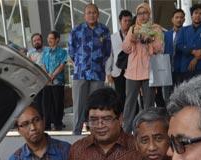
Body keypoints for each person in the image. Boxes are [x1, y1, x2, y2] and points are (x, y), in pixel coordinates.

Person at [68, 4, 111, 136]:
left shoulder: (104, 30)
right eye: (89, 13)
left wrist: (98, 61)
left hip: (98, 73)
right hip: (80, 73)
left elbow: (107, 51)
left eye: (94, 12)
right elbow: (71, 51)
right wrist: (81, 62)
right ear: (84, 15)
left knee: (96, 105)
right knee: (79, 105)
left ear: (98, 14)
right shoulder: (77, 30)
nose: (92, 15)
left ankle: (95, 133)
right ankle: (76, 133)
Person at [121, 3, 164, 133]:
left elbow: (159, 48)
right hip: (132, 71)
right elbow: (125, 48)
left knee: (149, 103)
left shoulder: (156, 29)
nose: (142, 16)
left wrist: (149, 40)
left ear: (149, 14)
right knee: (129, 102)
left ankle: (147, 130)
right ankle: (126, 132)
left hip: (149, 71)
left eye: (145, 13)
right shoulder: (133, 28)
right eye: (139, 13)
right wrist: (132, 39)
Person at [175, 3, 201, 83]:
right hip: (186, 66)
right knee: (187, 90)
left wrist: (196, 58)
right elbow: (179, 45)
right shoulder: (184, 30)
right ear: (191, 15)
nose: (198, 15)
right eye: (196, 13)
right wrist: (193, 51)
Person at [106, 9, 133, 106]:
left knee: (131, 96)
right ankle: (122, 115)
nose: (127, 23)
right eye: (125, 21)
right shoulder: (112, 37)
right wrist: (108, 72)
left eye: (129, 21)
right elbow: (110, 56)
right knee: (120, 96)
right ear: (120, 21)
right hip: (117, 71)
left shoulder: (134, 36)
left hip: (131, 70)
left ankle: (134, 114)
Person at [41, 31, 68, 131]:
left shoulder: (62, 52)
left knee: (58, 104)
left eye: (51, 38)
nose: (49, 40)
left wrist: (52, 76)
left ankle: (58, 124)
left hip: (58, 82)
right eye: (48, 38)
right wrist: (47, 76)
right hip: (47, 82)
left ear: (57, 39)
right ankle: (47, 124)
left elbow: (62, 65)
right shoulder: (45, 52)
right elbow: (43, 65)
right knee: (46, 104)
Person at [162, 8, 186, 103]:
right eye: (177, 17)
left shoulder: (187, 33)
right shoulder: (166, 34)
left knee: (181, 95)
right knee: (167, 95)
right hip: (167, 68)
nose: (179, 19)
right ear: (172, 19)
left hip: (181, 69)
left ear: (184, 19)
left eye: (181, 17)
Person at [27, 33, 46, 110]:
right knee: (38, 102)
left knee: (47, 101)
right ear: (32, 43)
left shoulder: (47, 51)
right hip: (36, 81)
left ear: (41, 40)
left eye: (38, 40)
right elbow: (28, 66)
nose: (36, 42)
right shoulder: (30, 53)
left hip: (47, 79)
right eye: (34, 41)